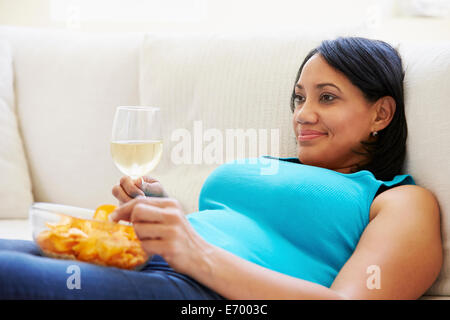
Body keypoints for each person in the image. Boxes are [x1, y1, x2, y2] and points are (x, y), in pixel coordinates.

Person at [0, 37, 442, 300]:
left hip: (200, 293)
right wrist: (163, 213)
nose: (303, 114)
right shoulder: (274, 165)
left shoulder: (399, 199)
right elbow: (231, 229)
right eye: (299, 97)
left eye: (326, 97)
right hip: (130, 254)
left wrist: (195, 253)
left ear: (381, 114)